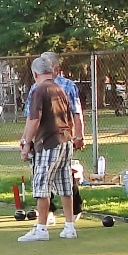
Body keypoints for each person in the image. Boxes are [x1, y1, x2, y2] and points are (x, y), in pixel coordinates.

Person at [17, 56, 81, 242]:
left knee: (42, 185)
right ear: (51, 70)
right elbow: (70, 116)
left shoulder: (39, 90)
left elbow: (34, 120)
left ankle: (41, 229)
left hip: (48, 143)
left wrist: (26, 143)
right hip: (65, 141)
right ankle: (69, 227)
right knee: (65, 184)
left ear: (35, 73)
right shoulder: (60, 88)